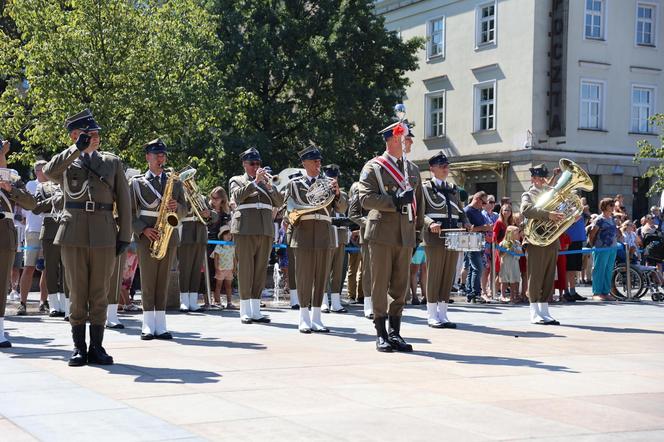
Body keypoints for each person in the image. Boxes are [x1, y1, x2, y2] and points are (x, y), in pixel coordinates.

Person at [43, 109, 131, 365]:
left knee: (100, 292)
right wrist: (75, 150)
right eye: (89, 134)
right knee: (77, 291)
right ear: (75, 135)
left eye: (96, 134)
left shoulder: (112, 162)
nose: (95, 137)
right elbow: (49, 173)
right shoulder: (68, 160)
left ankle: (97, 347)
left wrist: (124, 234)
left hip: (104, 232)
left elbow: (124, 202)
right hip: (73, 233)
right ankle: (79, 347)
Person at [358, 119, 424, 352]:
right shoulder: (374, 167)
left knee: (399, 285)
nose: (409, 142)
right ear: (395, 139)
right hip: (381, 233)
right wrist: (394, 201)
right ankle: (381, 333)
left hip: (404, 234)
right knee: (380, 284)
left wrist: (417, 234)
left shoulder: (412, 169)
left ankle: (395, 332)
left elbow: (420, 206)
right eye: (406, 138)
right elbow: (365, 199)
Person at [130, 138, 186, 341]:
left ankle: (161, 324)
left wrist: (176, 208)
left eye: (163, 155)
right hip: (147, 235)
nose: (160, 158)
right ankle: (147, 324)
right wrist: (143, 230)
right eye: (156, 154)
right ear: (148, 157)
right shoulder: (136, 182)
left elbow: (184, 209)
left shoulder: (175, 182)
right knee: (148, 279)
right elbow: (128, 212)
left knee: (163, 279)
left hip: (168, 234)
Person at [286, 145, 347, 333]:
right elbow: (290, 208)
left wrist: (337, 193)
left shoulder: (328, 183)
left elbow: (342, 208)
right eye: (314, 161)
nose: (318, 163)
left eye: (319, 160)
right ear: (304, 163)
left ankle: (317, 317)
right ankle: (304, 317)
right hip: (303, 232)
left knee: (321, 276)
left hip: (323, 233)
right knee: (304, 276)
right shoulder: (295, 184)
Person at [229, 147, 283, 324]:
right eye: (252, 163)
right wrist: (254, 183)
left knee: (260, 269)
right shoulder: (237, 180)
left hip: (265, 230)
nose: (256, 167)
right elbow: (236, 197)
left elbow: (280, 201)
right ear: (245, 164)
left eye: (258, 163)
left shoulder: (267, 183)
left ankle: (256, 309)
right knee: (245, 269)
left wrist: (268, 185)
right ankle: (245, 310)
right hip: (245, 229)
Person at [421, 152, 469, 328]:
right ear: (432, 168)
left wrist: (466, 222)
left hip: (453, 234)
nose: (445, 169)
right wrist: (430, 223)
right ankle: (432, 314)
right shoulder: (425, 188)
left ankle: (443, 313)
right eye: (441, 166)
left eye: (446, 166)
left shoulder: (453, 188)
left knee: (449, 274)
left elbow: (460, 211)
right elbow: (420, 213)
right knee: (434, 275)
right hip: (435, 236)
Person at [1, 139, 37, 348]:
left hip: (4, 232)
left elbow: (31, 203)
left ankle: (0, 329)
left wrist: (10, 189)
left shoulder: (12, 176)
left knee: (1, 283)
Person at [520, 164, 564, 325]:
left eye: (544, 178)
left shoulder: (551, 194)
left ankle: (544, 310)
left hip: (551, 239)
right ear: (533, 179)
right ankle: (534, 312)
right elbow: (525, 209)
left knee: (548, 275)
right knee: (536, 276)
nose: (543, 180)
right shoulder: (528, 194)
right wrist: (548, 215)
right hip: (535, 239)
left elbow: (560, 212)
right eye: (539, 178)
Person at [178, 171, 215, 313]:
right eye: (187, 181)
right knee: (185, 269)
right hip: (186, 234)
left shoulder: (202, 197)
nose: (190, 184)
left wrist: (209, 214)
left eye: (192, 181)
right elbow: (178, 212)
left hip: (200, 235)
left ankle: (193, 301)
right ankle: (184, 301)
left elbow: (214, 215)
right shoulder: (181, 197)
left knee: (195, 270)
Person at [33, 177, 68, 318]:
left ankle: (66, 304)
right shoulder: (43, 187)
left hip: (68, 229)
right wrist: (56, 199)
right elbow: (36, 207)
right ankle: (54, 304)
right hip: (50, 230)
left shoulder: (70, 183)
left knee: (67, 268)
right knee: (51, 268)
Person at [17, 160, 48, 315]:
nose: (46, 171)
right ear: (36, 171)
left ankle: (44, 302)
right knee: (29, 267)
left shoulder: (54, 185)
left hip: (49, 231)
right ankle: (22, 303)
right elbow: (25, 209)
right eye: (43, 169)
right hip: (33, 231)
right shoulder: (30, 185)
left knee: (47, 268)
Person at [321, 164, 349, 314]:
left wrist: (337, 193)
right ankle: (323, 300)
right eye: (330, 177)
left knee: (338, 270)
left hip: (340, 234)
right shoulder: (320, 193)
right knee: (324, 269)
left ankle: (336, 302)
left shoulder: (342, 193)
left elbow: (343, 208)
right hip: (327, 234)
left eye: (335, 177)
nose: (333, 179)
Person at [348, 180, 373, 319]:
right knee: (364, 270)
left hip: (384, 234)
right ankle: (363, 301)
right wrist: (370, 223)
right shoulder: (360, 189)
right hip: (363, 235)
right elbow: (353, 214)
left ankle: (378, 302)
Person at [463, 191, 492, 303]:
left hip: (479, 242)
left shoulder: (477, 211)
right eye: (484, 202)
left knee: (473, 268)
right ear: (477, 199)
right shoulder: (467, 211)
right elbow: (467, 229)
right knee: (478, 268)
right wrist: (484, 228)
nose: (484, 205)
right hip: (471, 242)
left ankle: (471, 293)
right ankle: (475, 293)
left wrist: (485, 228)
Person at [588, 198, 618, 301]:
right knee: (599, 270)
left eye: (613, 205)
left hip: (612, 248)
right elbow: (592, 234)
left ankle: (605, 292)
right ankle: (597, 292)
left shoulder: (612, 219)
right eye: (611, 205)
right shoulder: (599, 219)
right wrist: (593, 245)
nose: (613, 207)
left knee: (608, 270)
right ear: (605, 206)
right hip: (601, 248)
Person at [207, 186, 232, 308]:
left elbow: (228, 230)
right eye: (211, 197)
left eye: (216, 198)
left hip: (221, 246)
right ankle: (212, 299)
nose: (213, 200)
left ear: (222, 199)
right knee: (210, 270)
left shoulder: (225, 213)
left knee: (221, 272)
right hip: (208, 244)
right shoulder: (206, 209)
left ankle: (217, 299)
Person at [212, 225, 236, 309]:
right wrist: (217, 268)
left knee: (229, 286)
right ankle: (217, 301)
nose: (229, 236)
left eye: (230, 235)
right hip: (221, 269)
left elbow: (234, 258)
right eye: (226, 235)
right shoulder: (219, 246)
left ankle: (229, 302)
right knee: (218, 286)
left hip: (229, 269)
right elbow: (216, 258)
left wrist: (234, 268)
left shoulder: (232, 246)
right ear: (222, 236)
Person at [564, 215, 587, 301]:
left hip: (578, 241)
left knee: (573, 269)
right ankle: (566, 292)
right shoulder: (564, 207)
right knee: (568, 268)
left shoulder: (578, 210)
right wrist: (573, 219)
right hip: (570, 240)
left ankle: (573, 292)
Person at [499, 226, 522, 304]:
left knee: (513, 281)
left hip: (514, 264)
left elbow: (520, 253)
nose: (518, 234)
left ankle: (512, 297)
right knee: (504, 281)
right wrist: (506, 250)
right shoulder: (503, 243)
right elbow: (500, 254)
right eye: (516, 232)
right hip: (506, 263)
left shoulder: (518, 243)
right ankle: (503, 296)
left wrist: (516, 249)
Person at [554, 232, 571, 302]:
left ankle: (561, 295)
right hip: (554, 255)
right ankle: (551, 295)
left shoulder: (565, 235)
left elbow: (567, 247)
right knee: (552, 274)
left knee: (561, 275)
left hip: (561, 256)